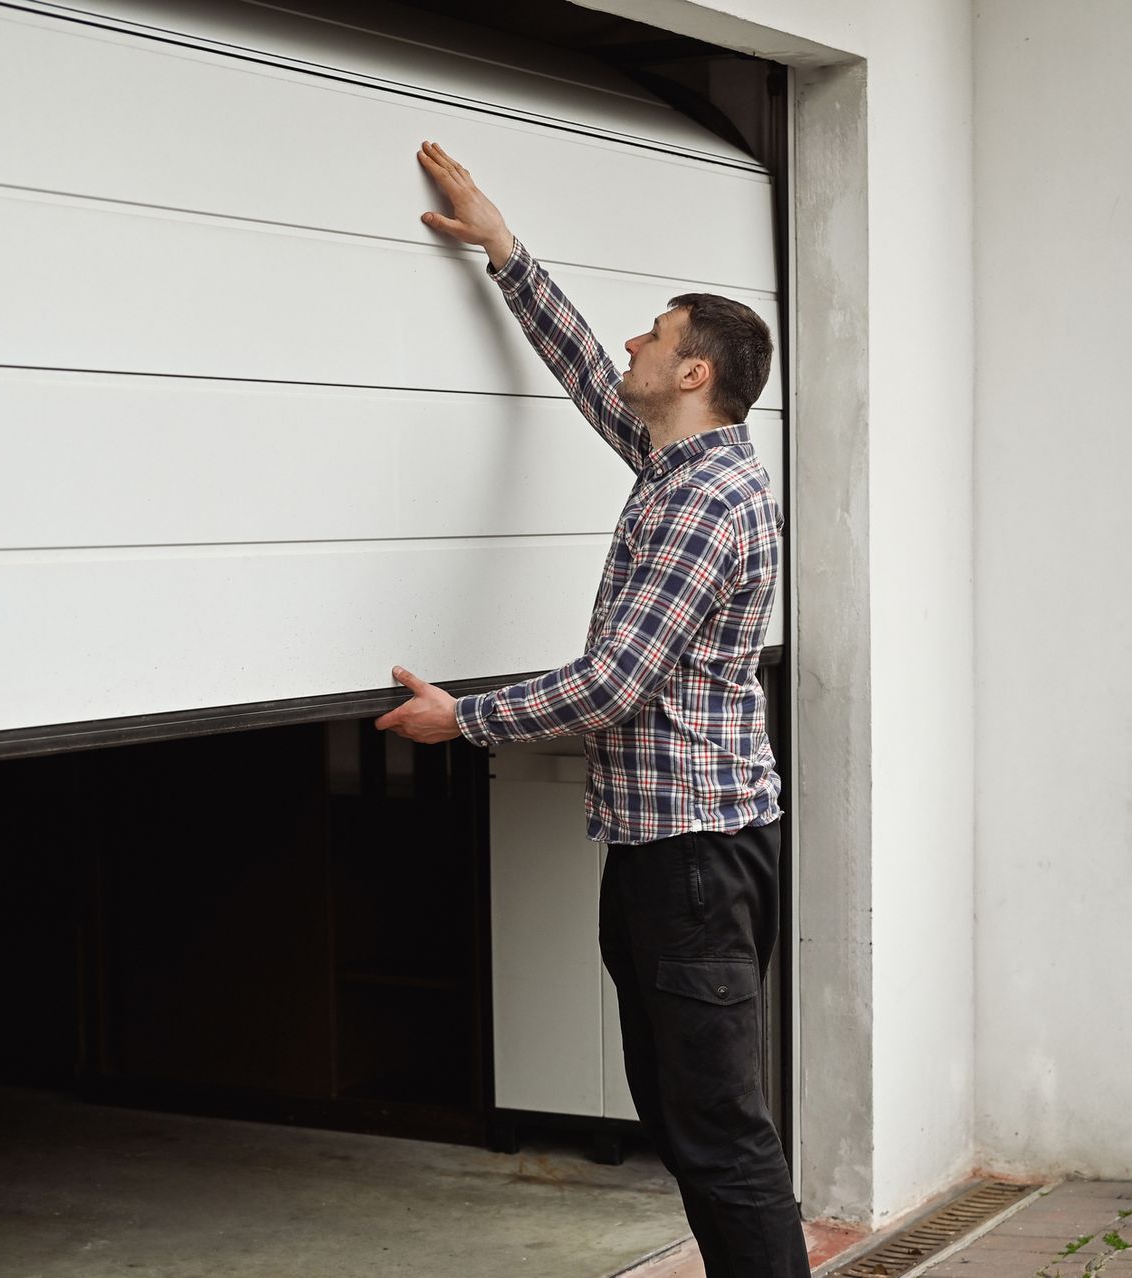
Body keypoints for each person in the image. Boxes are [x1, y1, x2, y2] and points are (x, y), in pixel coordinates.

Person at [375, 141, 808, 1278]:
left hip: (696, 862)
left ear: (694, 373)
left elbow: (616, 683)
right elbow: (584, 371)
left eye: (654, 336)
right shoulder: (680, 466)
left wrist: (457, 721)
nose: (631, 341)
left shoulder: (697, 506)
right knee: (683, 1119)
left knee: (717, 1135)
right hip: (671, 849)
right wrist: (504, 248)